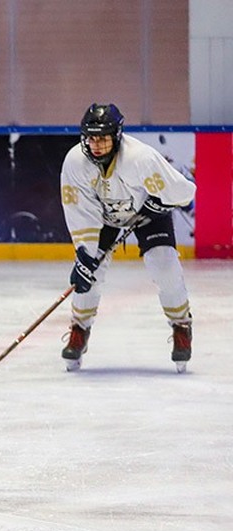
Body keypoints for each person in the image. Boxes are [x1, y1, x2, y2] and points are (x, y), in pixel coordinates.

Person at [60, 102, 196, 372]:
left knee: (164, 264)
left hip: (147, 214)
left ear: (117, 136)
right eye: (91, 138)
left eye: (103, 138)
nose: (96, 145)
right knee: (89, 273)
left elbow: (184, 192)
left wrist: (161, 202)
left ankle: (181, 325)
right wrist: (84, 254)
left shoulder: (140, 158)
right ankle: (79, 328)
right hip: (104, 218)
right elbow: (80, 211)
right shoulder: (75, 162)